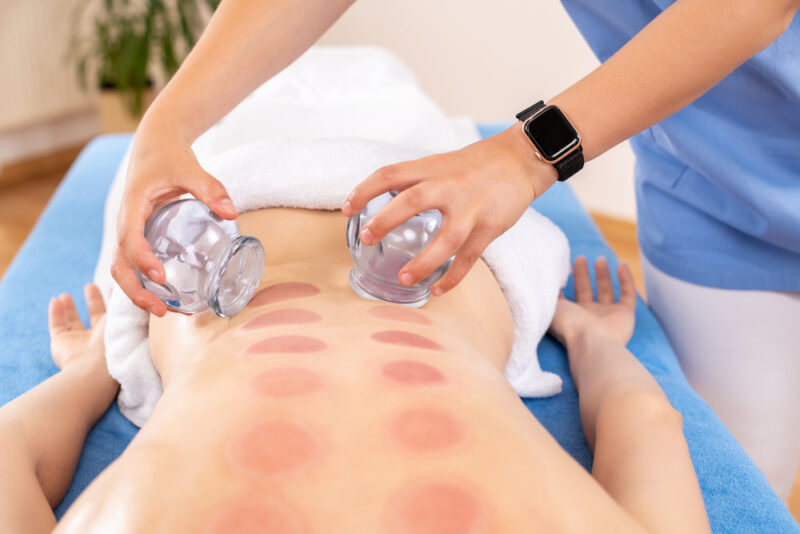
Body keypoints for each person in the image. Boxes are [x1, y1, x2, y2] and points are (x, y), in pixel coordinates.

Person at [112, 0, 800, 497]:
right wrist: (165, 126)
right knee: (752, 474)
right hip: (714, 176)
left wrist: (529, 156)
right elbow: (657, 430)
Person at [0, 206, 709, 533]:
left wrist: (101, 364)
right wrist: (97, 368)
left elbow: (645, 424)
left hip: (234, 240)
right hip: (248, 220)